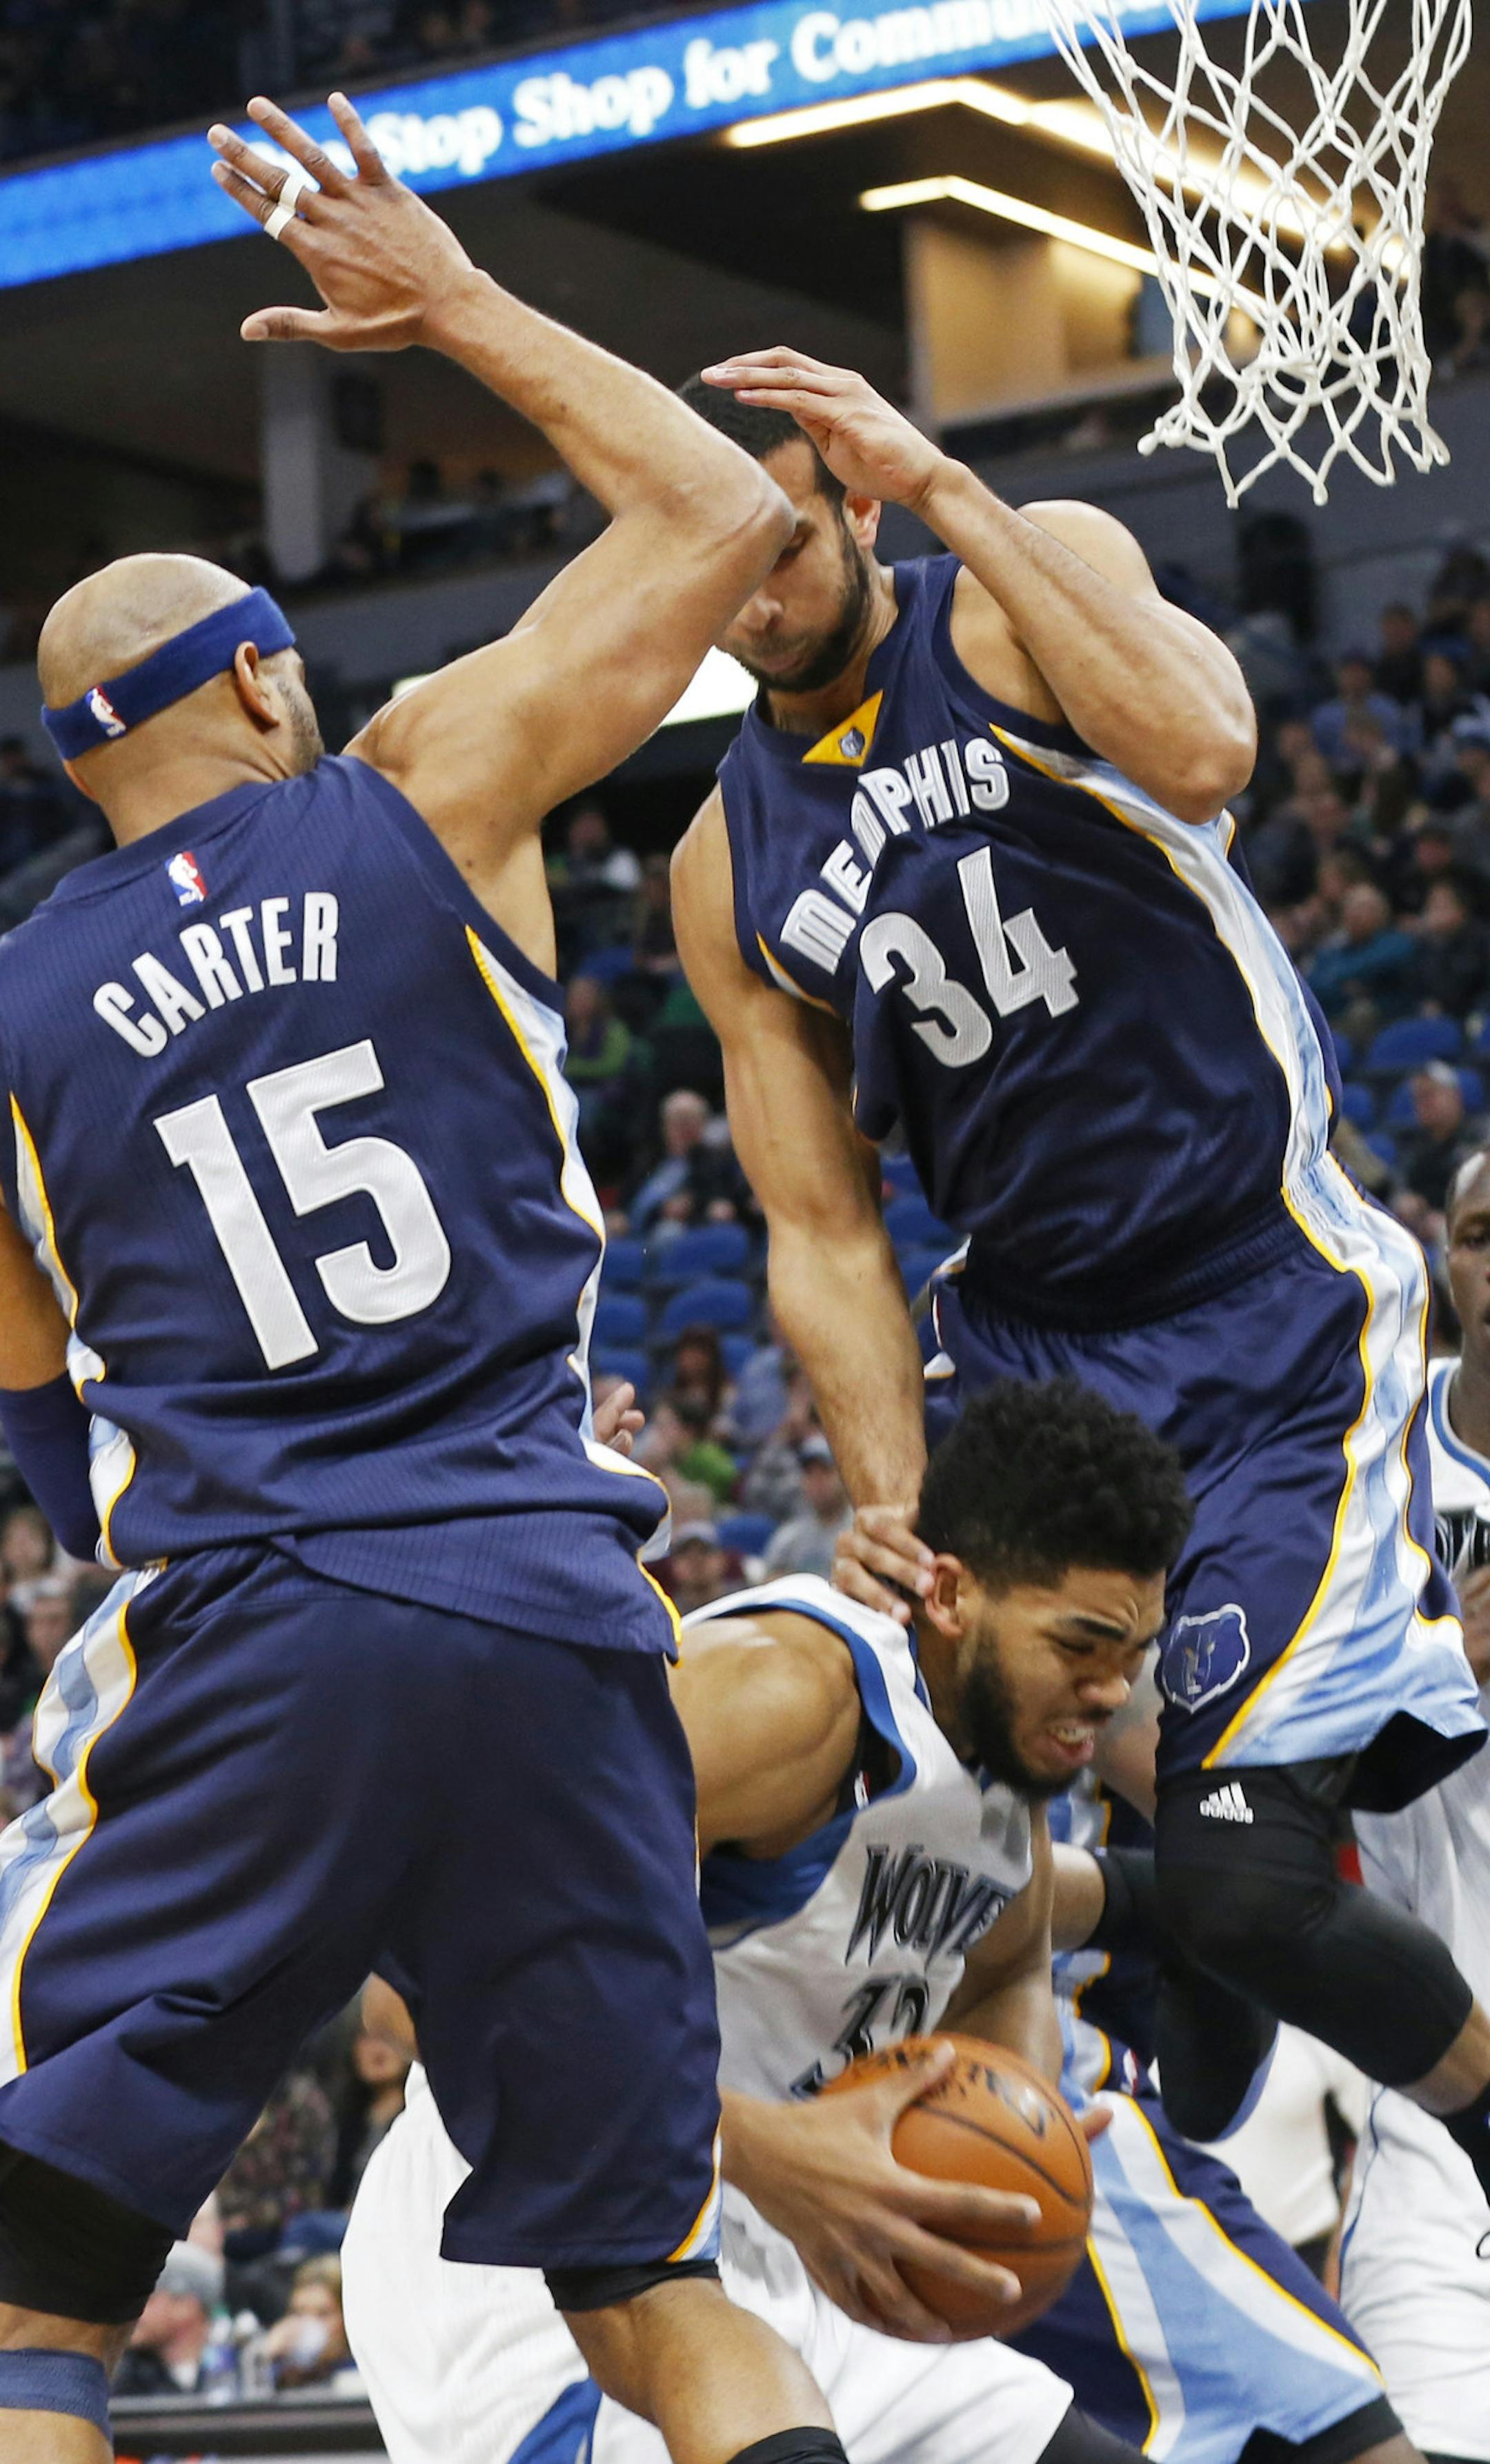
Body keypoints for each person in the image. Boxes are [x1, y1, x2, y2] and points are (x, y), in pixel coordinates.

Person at [0, 92, 841, 2464]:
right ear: (266, 681)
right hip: (560, 1610)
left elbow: (33, 1395)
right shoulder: (430, 778)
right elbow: (726, 512)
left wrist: (127, 1547)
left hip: (262, 1627)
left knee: (34, 2298)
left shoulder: (15, 1014)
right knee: (651, 2281)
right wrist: (452, 299)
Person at [664, 351, 1490, 2201]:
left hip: (1265, 1299)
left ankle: (1353, 2031)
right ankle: (1011, 2072)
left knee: (1250, 1865)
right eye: (710, 560)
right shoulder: (726, 863)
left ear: (854, 504)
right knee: (924, 1768)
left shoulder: (1019, 575)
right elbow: (817, 1223)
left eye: (784, 539)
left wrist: (955, 488)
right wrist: (891, 1491)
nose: (755, 588)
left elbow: (1206, 750)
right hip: (1028, 1339)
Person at [341, 1378, 1409, 2464]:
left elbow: (1005, 1963)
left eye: (1130, 1657)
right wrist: (774, 2151)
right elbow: (417, 1987)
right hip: (548, 2254)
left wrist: (1008, 2124)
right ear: (948, 1594)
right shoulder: (788, 1698)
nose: (1107, 1692)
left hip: (787, 2253)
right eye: (1080, 1645)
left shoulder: (1010, 1756)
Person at [1340, 1145, 1490, 2464]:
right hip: (1443, 2082)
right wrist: (1452, 1669)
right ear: (1446, 1261)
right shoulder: (1362, 1477)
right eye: (1487, 1232)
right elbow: (1264, 1760)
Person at [112, 2242, 225, 2398]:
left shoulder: (235, 2367)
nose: (132, 2312)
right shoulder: (119, 2379)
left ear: (184, 2307)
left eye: (147, 2301)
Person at [761, 1436, 851, 1582]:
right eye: (810, 1473)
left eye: (825, 1472)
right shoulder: (790, 1537)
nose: (817, 1482)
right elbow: (767, 1586)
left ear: (844, 1475)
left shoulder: (859, 1532)